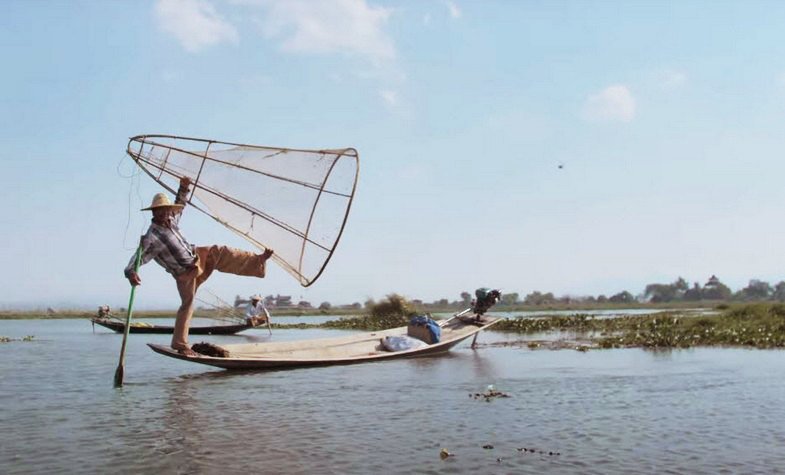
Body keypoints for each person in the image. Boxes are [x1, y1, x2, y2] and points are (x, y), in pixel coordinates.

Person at [124, 176, 274, 356]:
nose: (164, 214)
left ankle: (258, 261)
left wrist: (184, 186)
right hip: (184, 273)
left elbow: (181, 203)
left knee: (220, 251)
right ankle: (180, 344)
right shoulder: (152, 237)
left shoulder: (171, 219)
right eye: (160, 211)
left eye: (166, 210)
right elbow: (139, 257)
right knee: (187, 304)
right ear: (153, 213)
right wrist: (131, 272)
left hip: (197, 257)